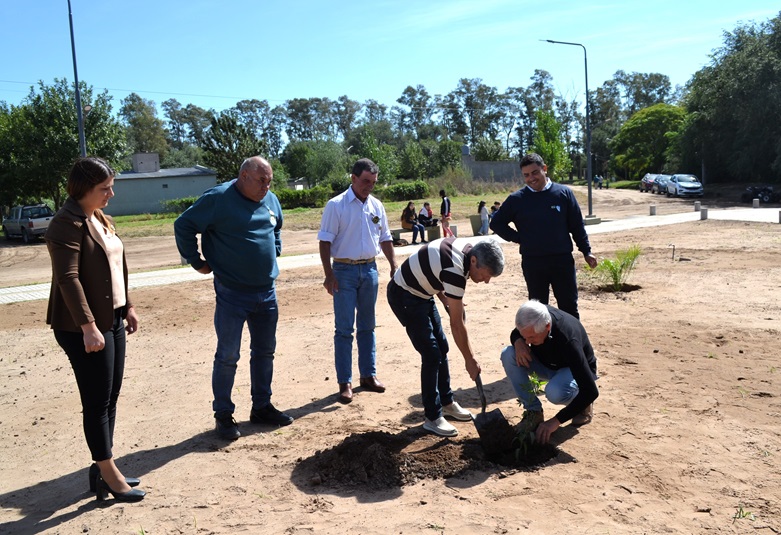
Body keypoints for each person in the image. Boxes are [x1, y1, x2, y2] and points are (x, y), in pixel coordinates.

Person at [44, 157, 145, 502]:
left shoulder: (100, 218)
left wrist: (127, 305)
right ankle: (108, 471)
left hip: (112, 319)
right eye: (104, 189)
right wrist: (88, 326)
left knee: (110, 396)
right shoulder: (65, 224)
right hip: (81, 327)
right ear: (83, 188)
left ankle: (103, 467)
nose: (111, 194)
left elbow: (117, 267)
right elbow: (68, 278)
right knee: (97, 401)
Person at [174, 156, 293, 441]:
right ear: (244, 177)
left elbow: (276, 227)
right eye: (262, 180)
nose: (267, 186)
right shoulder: (218, 198)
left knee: (265, 352)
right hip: (232, 293)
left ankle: (262, 407)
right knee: (228, 356)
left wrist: (274, 249)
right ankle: (224, 415)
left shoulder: (271, 199)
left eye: (269, 181)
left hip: (266, 292)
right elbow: (184, 225)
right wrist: (196, 261)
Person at [387, 238, 505, 437]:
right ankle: (432, 418)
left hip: (425, 293)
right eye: (487, 275)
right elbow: (457, 325)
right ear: (474, 260)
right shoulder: (456, 271)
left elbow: (436, 267)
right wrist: (470, 360)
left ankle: (447, 403)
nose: (486, 280)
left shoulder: (465, 251)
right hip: (405, 295)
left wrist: (445, 298)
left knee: (442, 347)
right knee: (432, 354)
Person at [318, 158, 398, 404]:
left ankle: (368, 375)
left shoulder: (376, 206)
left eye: (373, 182)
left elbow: (385, 237)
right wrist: (328, 274)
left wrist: (394, 264)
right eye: (365, 181)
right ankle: (345, 382)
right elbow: (325, 241)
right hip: (343, 271)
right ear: (353, 178)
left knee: (368, 326)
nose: (369, 186)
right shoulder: (336, 205)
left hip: (370, 271)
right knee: (344, 329)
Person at [490, 152, 597, 319]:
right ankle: (543, 345)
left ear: (544, 169)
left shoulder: (563, 194)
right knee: (538, 311)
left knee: (569, 308)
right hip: (534, 264)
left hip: (562, 261)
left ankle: (572, 345)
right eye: (526, 175)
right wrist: (519, 238)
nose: (531, 178)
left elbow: (576, 225)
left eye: (535, 173)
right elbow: (496, 223)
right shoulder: (517, 199)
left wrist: (586, 251)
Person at [500, 300, 598, 445]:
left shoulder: (568, 339)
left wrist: (556, 421)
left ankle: (582, 406)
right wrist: (518, 342)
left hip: (571, 369)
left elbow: (591, 392)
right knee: (509, 354)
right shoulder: (534, 316)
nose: (528, 341)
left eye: (531, 338)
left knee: (555, 392)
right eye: (525, 336)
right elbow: (517, 334)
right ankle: (533, 412)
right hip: (546, 364)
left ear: (547, 326)